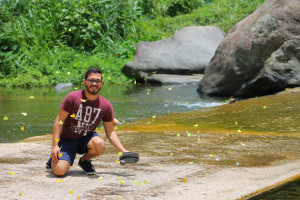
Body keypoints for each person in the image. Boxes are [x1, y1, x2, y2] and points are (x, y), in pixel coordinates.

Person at [46, 68, 129, 176]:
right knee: (60, 171)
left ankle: (84, 161)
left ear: (101, 83)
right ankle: (53, 159)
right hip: (67, 139)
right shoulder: (72, 97)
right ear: (84, 82)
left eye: (97, 81)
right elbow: (59, 121)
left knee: (99, 144)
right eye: (91, 80)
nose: (94, 83)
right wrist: (55, 146)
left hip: (86, 139)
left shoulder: (106, 105)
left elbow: (110, 132)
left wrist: (123, 151)